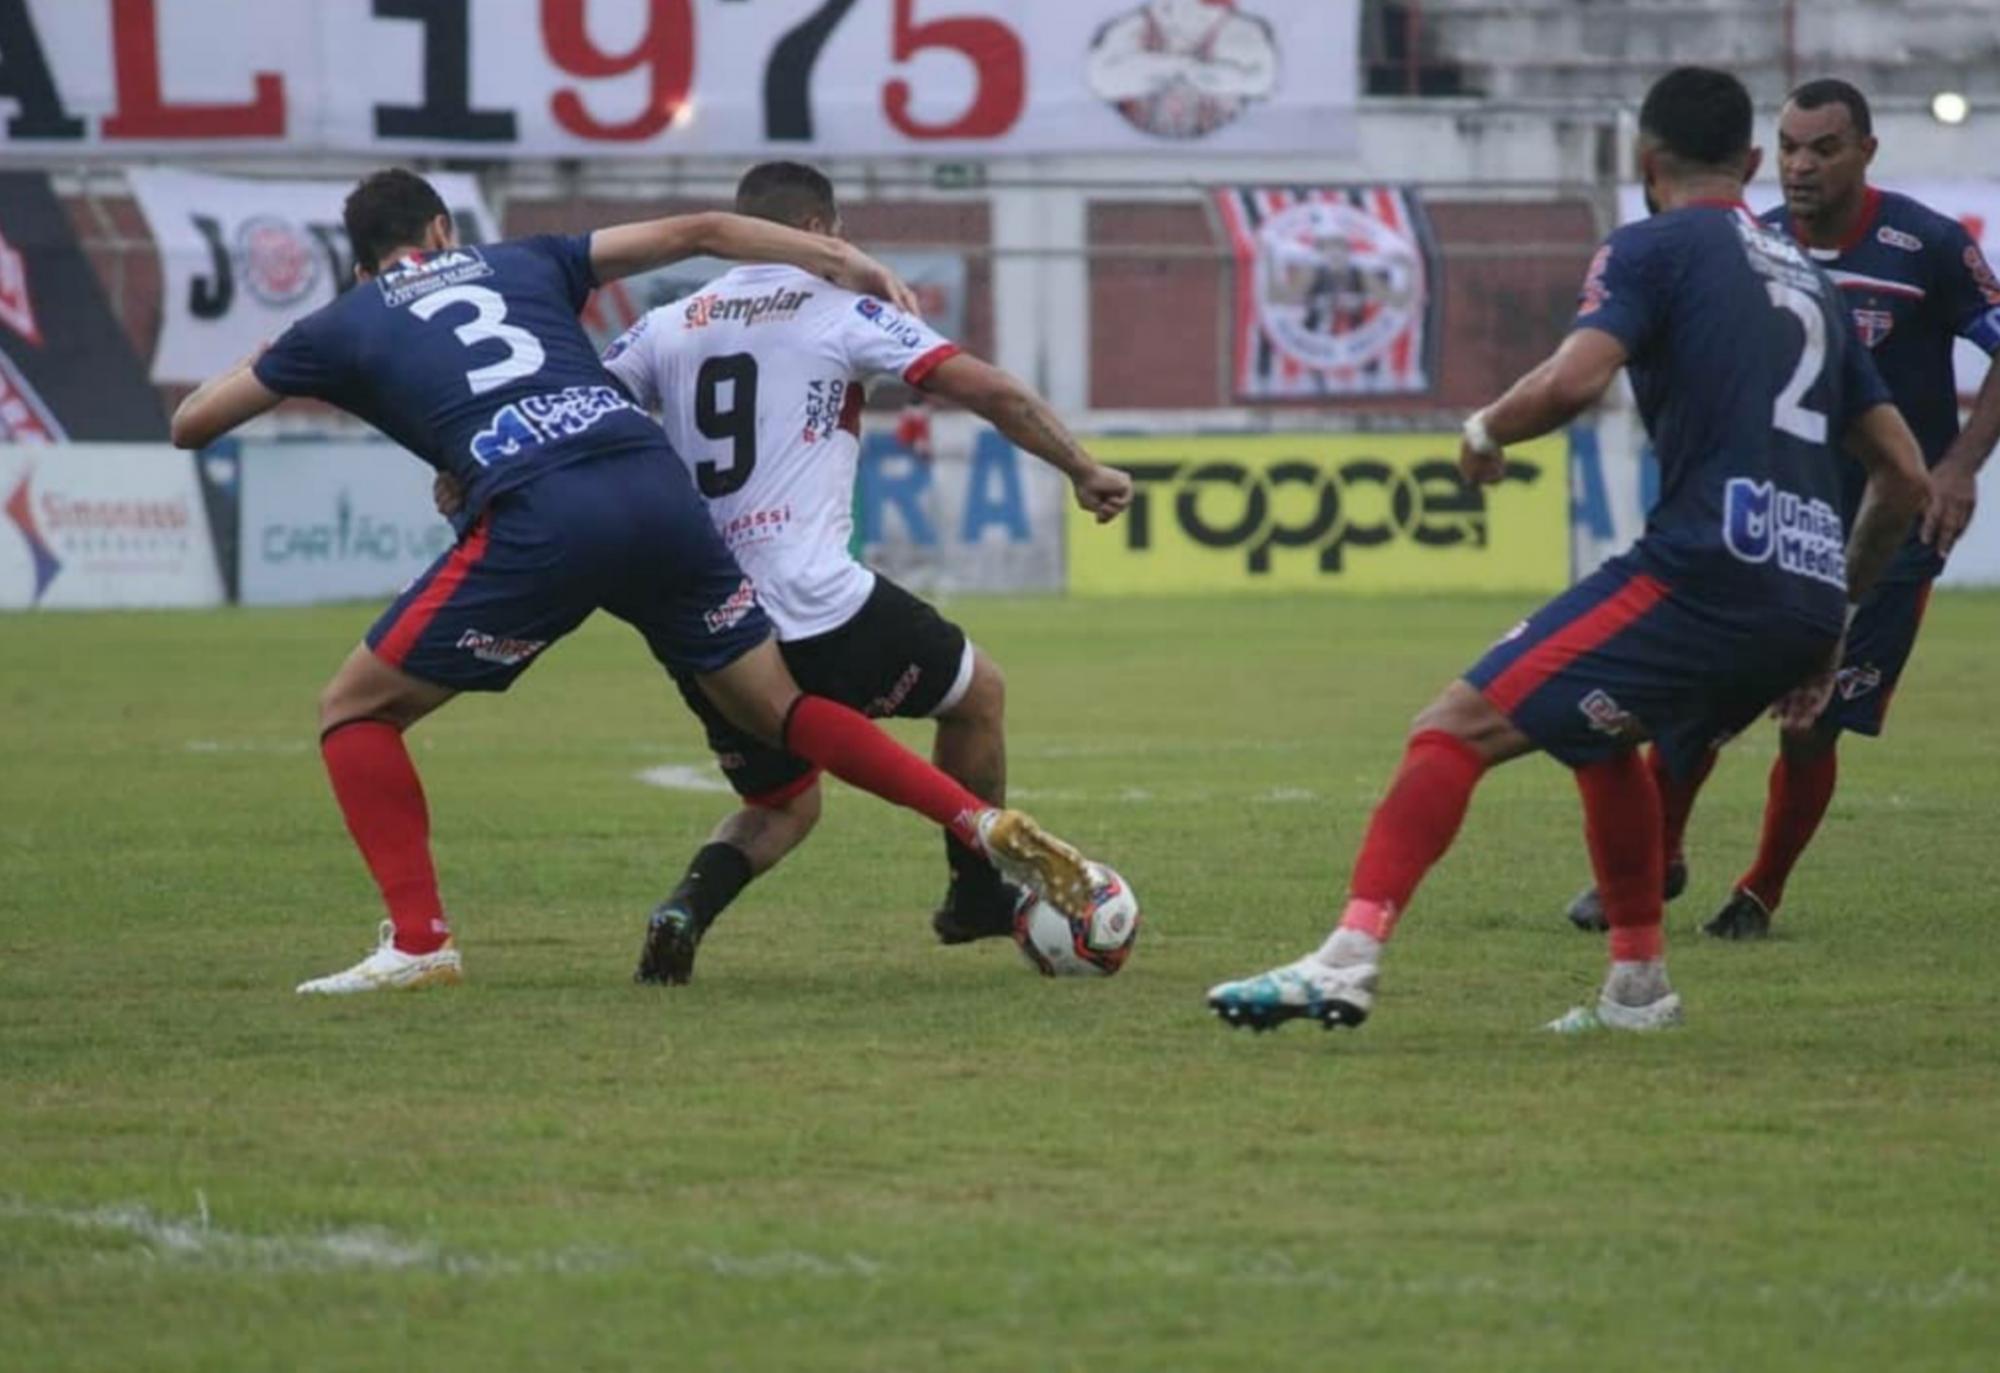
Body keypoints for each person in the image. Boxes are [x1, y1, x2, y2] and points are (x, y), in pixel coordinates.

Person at [168, 169, 1099, 996]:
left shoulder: (351, 320)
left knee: (354, 709)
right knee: (787, 709)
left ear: (365, 264)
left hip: (554, 515)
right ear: (446, 231)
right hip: (657, 496)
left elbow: (193, 423)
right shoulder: (526, 259)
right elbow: (698, 229)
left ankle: (419, 942)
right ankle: (976, 823)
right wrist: (842, 261)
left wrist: (288, 349)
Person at [1205, 66, 1930, 1035]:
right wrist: (1829, 623)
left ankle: (1345, 957)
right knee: (1598, 738)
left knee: (1451, 725)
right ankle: (1636, 987)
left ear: (1642, 161)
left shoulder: (1651, 244)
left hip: (1704, 570)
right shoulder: (1805, 277)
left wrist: (1483, 429)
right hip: (1799, 596)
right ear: (1752, 162)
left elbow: (1573, 380)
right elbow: (1905, 478)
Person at [579, 161, 1132, 983]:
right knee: (978, 695)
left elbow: (578, 409)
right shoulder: (842, 310)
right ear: (820, 231)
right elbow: (989, 390)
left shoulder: (667, 324)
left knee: (782, 803)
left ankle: (683, 909)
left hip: (707, 613)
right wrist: (1082, 466)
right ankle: (976, 893)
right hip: (813, 602)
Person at [1566, 78, 2000, 940]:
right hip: (1776, 516)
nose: (1802, 166)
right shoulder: (1752, 247)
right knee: (1697, 701)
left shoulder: (1928, 246)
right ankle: (1662, 857)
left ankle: (1759, 892)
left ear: (1866, 152)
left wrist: (1956, 464)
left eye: (1824, 148)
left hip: (1892, 524)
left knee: (1813, 721)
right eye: (1791, 147)